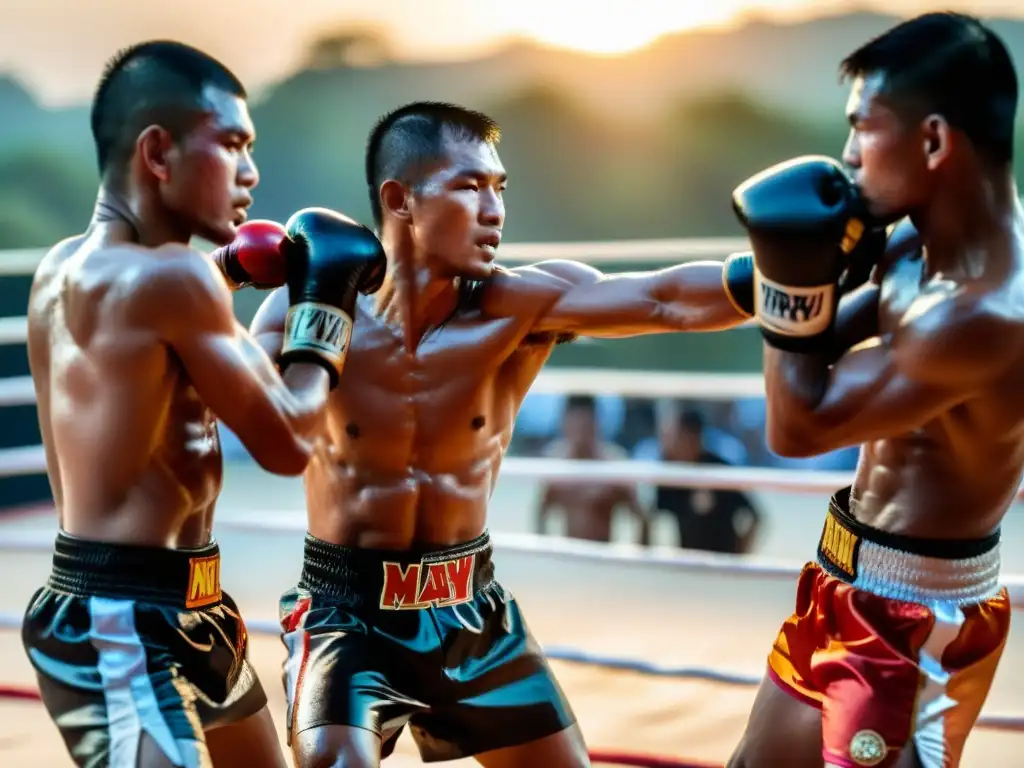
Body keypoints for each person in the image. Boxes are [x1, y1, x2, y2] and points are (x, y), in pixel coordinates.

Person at [250, 100, 766, 767]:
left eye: (500, 187)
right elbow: (233, 404)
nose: (494, 208)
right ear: (399, 199)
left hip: (472, 611)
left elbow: (665, 298)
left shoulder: (520, 308)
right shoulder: (310, 304)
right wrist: (285, 304)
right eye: (469, 186)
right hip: (347, 612)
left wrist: (802, 266)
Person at [21, 40, 385, 768]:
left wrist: (228, 268)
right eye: (233, 144)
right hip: (123, 619)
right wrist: (323, 311)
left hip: (187, 608)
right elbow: (286, 442)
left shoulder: (61, 268)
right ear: (159, 153)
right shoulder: (177, 283)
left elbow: (147, 345)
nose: (250, 172)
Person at [727, 13, 1021, 768]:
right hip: (842, 578)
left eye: (863, 127)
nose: (848, 154)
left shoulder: (985, 313)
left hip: (922, 622)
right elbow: (818, 345)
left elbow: (799, 426)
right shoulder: (913, 245)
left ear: (932, 141)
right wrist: (799, 279)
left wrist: (789, 276)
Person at [536, 394, 648, 544]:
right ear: (565, 424)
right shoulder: (556, 465)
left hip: (603, 558)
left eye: (585, 427)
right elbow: (541, 512)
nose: (580, 434)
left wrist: (636, 559)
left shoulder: (613, 464)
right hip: (570, 556)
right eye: (575, 426)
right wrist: (547, 554)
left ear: (596, 424)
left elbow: (642, 517)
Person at [654, 408, 760, 554]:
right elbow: (658, 516)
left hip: (721, 563)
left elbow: (755, 516)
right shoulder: (668, 473)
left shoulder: (719, 471)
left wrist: (739, 555)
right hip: (686, 562)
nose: (665, 442)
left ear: (691, 437)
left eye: (672, 436)